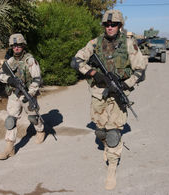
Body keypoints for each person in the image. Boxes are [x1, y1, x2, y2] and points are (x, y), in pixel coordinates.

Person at [71, 10, 147, 190]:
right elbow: (76, 61)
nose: (110, 27)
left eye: (113, 24)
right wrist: (93, 73)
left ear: (120, 26)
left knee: (113, 133)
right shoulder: (94, 43)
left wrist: (125, 84)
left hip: (119, 94)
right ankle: (107, 146)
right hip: (99, 94)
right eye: (107, 24)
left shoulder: (129, 44)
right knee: (100, 132)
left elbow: (140, 71)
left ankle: (112, 168)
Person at [0, 33, 45, 160]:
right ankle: (9, 147)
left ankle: (40, 131)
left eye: (18, 45)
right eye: (14, 46)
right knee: (10, 120)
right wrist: (10, 80)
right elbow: (0, 76)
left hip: (28, 93)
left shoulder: (30, 60)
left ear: (23, 45)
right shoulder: (9, 61)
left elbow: (37, 79)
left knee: (33, 117)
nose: (16, 48)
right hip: (14, 94)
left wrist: (30, 93)